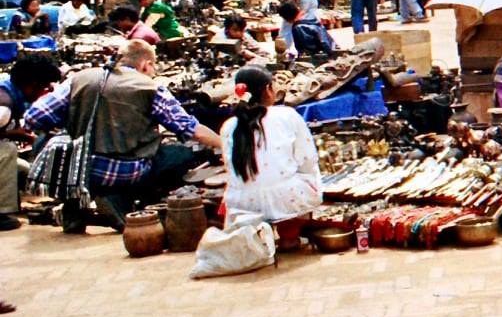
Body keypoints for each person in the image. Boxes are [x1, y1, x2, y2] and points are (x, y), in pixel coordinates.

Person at [24, 40, 223, 232]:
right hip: (127, 172)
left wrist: (68, 127)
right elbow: (190, 129)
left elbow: (33, 118)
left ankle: (75, 204)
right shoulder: (151, 88)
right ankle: (123, 200)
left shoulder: (79, 78)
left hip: (78, 169)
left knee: (54, 142)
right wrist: (225, 144)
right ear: (146, 64)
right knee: (182, 154)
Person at [219, 65, 322, 249]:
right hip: (287, 197)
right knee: (307, 176)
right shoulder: (287, 115)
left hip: (243, 203)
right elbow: (307, 158)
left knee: (244, 185)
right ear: (268, 90)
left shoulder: (229, 126)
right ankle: (289, 237)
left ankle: (256, 240)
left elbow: (230, 168)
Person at [0, 52, 61, 233]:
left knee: (25, 172)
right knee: (7, 151)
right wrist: (13, 134)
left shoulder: (8, 89)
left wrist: (16, 134)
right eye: (44, 88)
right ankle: (2, 213)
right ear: (33, 86)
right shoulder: (4, 106)